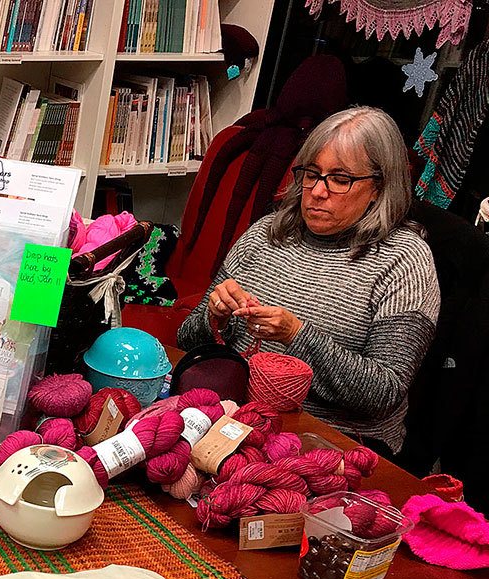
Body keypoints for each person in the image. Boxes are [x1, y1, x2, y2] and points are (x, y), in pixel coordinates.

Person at [177, 106, 440, 455]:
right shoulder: (266, 234)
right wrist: (215, 319)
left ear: (379, 187)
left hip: (335, 445)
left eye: (340, 179)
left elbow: (384, 392)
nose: (317, 191)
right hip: (236, 424)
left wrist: (296, 335)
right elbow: (187, 339)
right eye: (311, 174)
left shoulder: (404, 260)